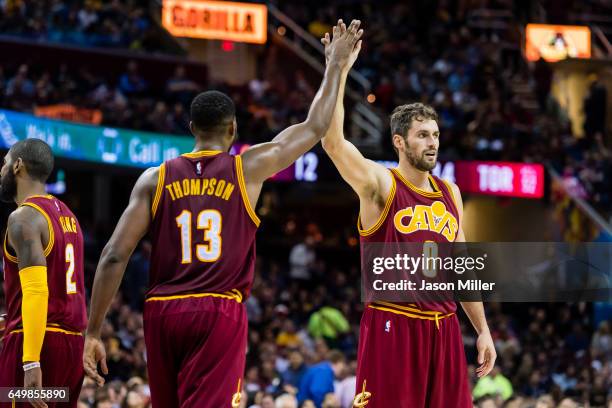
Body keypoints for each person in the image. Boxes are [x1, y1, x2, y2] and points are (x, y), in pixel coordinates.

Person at [83, 19, 363, 408]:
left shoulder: (154, 179)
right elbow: (315, 126)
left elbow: (114, 253)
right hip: (216, 310)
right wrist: (335, 65)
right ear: (233, 129)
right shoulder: (246, 168)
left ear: (192, 127)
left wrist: (93, 331)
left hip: (162, 311)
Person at [320, 24, 497, 407]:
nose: (432, 142)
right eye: (422, 135)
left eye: (434, 134)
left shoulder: (450, 192)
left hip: (445, 327)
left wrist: (482, 330)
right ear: (400, 141)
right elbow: (332, 143)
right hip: (393, 322)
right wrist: (338, 70)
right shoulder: (382, 184)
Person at [0, 139, 87, 407]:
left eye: (3, 164)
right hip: (72, 348)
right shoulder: (68, 216)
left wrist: (31, 361)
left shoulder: (23, 217)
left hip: (38, 343)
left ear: (18, 165)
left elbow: (37, 291)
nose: (0, 171)